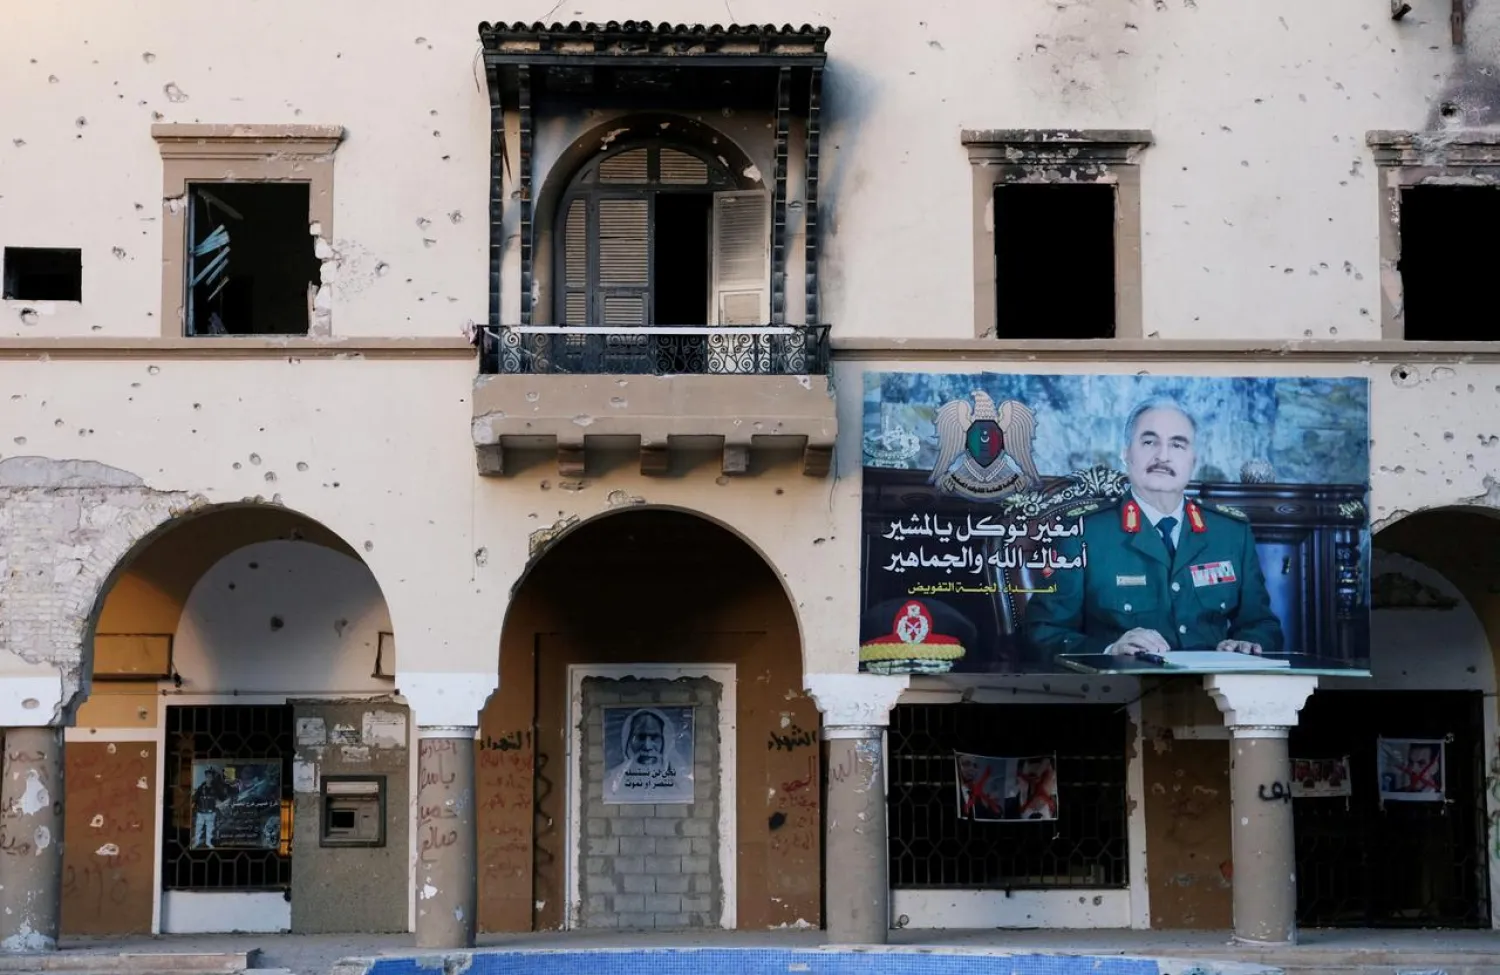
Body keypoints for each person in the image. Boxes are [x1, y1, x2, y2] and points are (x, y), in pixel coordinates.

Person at [1025, 396, 1284, 662]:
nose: (1163, 456)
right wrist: (1108, 649)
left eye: (1178, 444)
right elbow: (1041, 631)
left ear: (1193, 459)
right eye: (1149, 442)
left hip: (1215, 694)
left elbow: (1263, 625)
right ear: (1126, 453)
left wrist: (1249, 644)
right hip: (1122, 694)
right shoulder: (1083, 533)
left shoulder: (1230, 533)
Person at [604, 707, 687, 801]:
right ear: (628, 740)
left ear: (665, 741)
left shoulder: (684, 787)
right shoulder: (609, 783)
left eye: (655, 738)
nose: (647, 747)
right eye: (640, 737)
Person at [191, 766, 230, 849]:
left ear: (212, 777)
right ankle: (196, 843)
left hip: (211, 813)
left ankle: (209, 843)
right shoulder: (201, 787)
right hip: (201, 812)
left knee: (210, 829)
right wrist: (193, 803)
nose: (209, 778)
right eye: (207, 776)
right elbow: (195, 797)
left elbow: (222, 797)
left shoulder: (216, 788)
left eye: (210, 776)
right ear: (205, 777)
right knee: (198, 828)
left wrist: (226, 798)